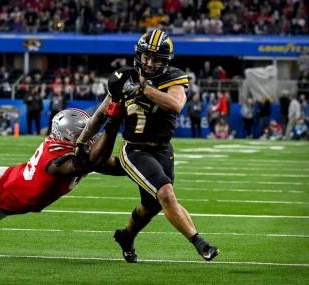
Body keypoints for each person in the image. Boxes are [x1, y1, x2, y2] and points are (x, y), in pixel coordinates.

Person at [75, 29, 218, 263]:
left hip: (162, 150)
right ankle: (199, 242)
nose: (150, 63)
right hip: (135, 148)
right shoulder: (122, 78)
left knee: (150, 206)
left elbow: (175, 105)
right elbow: (100, 115)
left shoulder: (173, 78)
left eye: (156, 59)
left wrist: (144, 89)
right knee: (165, 194)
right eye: (146, 56)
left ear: (166, 61)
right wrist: (81, 141)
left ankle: (126, 237)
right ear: (138, 55)